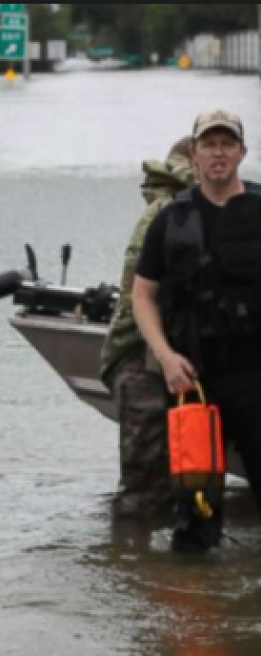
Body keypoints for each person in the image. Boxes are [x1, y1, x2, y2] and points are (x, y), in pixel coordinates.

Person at [132, 109, 261, 553]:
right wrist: (166, 357)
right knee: (195, 503)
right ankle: (196, 607)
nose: (218, 153)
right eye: (209, 144)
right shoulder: (171, 220)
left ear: (242, 152)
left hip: (255, 375)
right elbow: (142, 295)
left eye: (227, 144)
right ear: (196, 153)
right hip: (193, 380)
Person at [99, 137, 195, 519]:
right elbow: (139, 298)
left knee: (190, 476)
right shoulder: (165, 214)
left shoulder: (187, 211)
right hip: (144, 363)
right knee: (145, 492)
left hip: (171, 361)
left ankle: (152, 570)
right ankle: (134, 567)